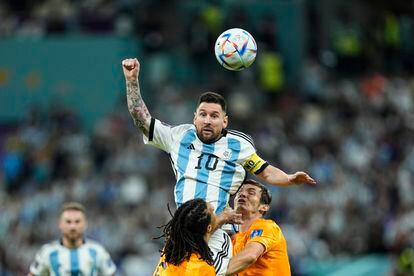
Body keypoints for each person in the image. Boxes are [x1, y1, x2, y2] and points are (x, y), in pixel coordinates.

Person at [122, 58, 315, 275]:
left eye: (214, 116)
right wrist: (132, 81)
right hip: (182, 232)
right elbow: (142, 119)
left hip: (214, 233)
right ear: (195, 117)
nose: (207, 120)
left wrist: (289, 179)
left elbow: (266, 171)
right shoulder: (179, 136)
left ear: (225, 121)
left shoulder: (237, 145)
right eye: (203, 114)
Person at [28, 202, 116, 276]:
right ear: (60, 224)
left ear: (85, 224)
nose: (73, 226)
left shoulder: (97, 251)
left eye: (77, 221)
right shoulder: (47, 252)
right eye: (68, 222)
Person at [226, 179, 290, 276]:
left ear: (264, 207)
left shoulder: (268, 226)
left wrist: (214, 273)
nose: (242, 194)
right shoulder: (233, 239)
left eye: (251, 193)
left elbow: (250, 256)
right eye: (240, 191)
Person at [154, 198, 218, 275]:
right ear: (209, 228)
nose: (213, 208)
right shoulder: (202, 269)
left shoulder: (170, 251)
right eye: (212, 211)